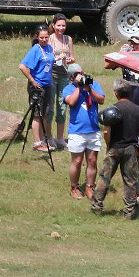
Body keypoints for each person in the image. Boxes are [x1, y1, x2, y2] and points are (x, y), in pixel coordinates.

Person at [93, 80, 139, 218]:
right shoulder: (138, 109)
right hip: (131, 149)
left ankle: (97, 206)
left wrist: (109, 145)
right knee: (130, 181)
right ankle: (130, 211)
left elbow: (106, 131)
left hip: (115, 147)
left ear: (116, 93)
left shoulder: (113, 109)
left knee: (105, 177)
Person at [62, 63, 105, 199]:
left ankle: (89, 187)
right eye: (78, 74)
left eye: (82, 72)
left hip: (93, 130)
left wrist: (89, 89)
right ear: (72, 77)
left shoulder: (94, 85)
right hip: (77, 131)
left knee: (92, 160)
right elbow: (71, 102)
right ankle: (74, 187)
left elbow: (101, 100)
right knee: (77, 161)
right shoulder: (68, 89)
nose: (82, 75)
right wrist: (79, 87)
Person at [18, 25, 55, 152]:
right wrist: (32, 80)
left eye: (46, 37)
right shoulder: (35, 49)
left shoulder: (49, 48)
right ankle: (37, 143)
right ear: (37, 37)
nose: (44, 40)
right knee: (37, 115)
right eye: (42, 38)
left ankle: (43, 141)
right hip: (37, 87)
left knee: (45, 114)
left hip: (47, 85)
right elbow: (22, 66)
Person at [48, 13, 75, 150]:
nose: (61, 28)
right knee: (50, 107)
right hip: (51, 76)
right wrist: (57, 58)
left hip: (64, 76)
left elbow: (73, 57)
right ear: (53, 25)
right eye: (58, 25)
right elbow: (45, 58)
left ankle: (60, 138)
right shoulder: (49, 39)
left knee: (62, 106)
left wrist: (69, 59)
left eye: (63, 25)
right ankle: (48, 137)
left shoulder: (68, 39)